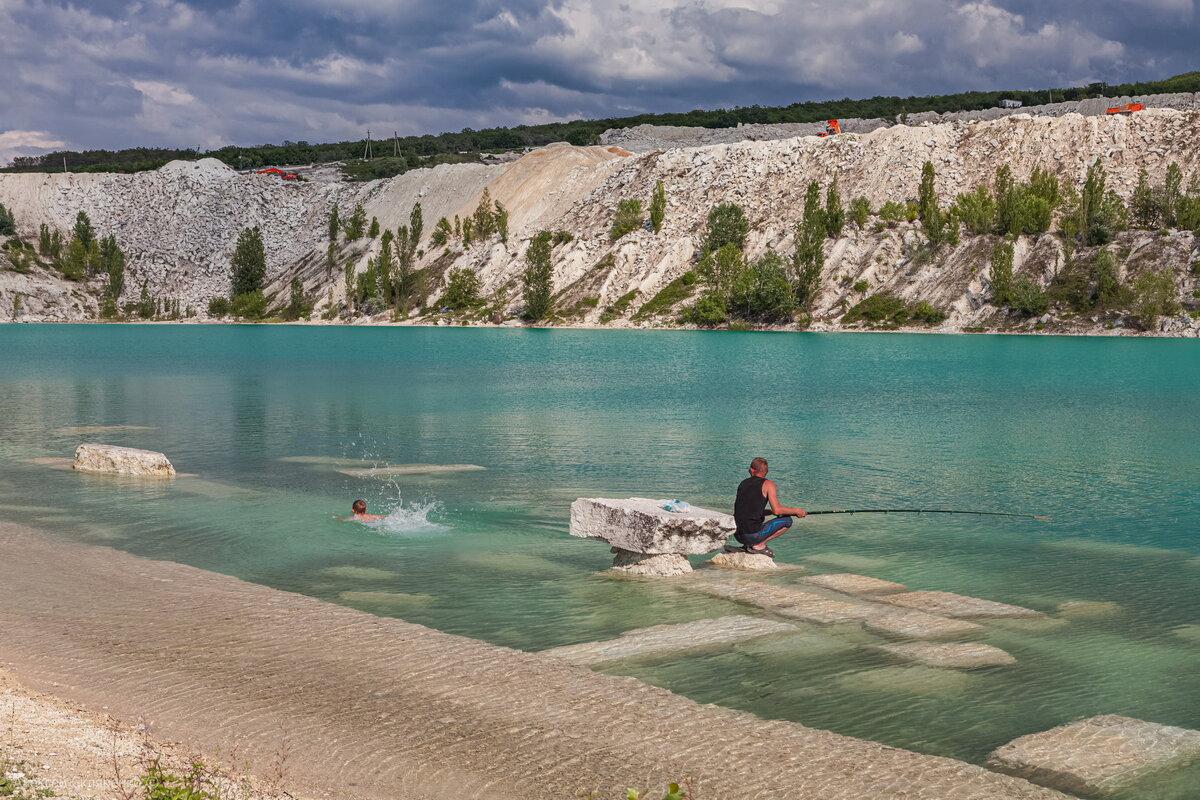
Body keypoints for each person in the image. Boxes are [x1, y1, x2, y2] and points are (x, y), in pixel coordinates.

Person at [728, 457, 806, 558]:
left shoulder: (743, 483)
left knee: (758, 519)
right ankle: (759, 545)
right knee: (787, 521)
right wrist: (797, 511)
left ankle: (747, 545)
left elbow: (747, 510)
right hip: (752, 537)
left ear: (751, 470)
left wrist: (770, 512)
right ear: (766, 471)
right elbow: (777, 510)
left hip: (738, 535)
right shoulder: (768, 484)